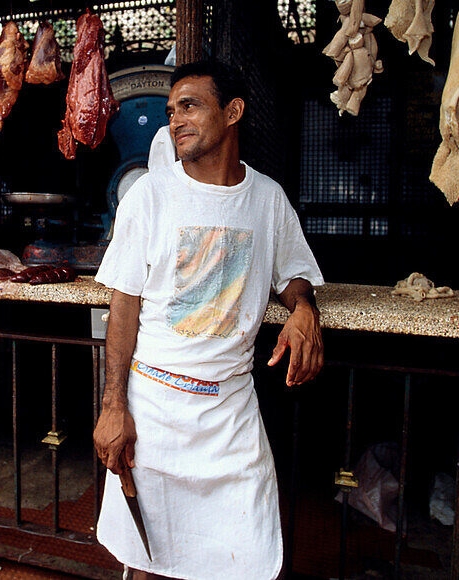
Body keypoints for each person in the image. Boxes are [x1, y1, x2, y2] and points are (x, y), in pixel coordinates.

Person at [93, 60, 324, 579]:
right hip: (153, 411)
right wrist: (113, 408)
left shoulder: (267, 200)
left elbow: (293, 275)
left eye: (191, 105)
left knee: (246, 557)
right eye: (172, 110)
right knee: (149, 561)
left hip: (230, 415)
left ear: (233, 111)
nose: (176, 119)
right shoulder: (149, 198)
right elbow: (123, 309)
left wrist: (304, 309)